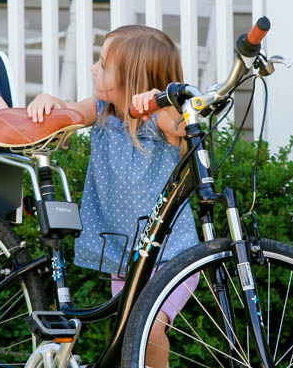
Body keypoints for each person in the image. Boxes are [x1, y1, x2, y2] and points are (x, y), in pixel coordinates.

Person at [27, 25, 199, 368]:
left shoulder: (159, 122)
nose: (94, 69)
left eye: (104, 65)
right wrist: (51, 102)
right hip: (125, 260)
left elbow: (182, 126)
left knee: (147, 330)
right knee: (131, 336)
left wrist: (158, 100)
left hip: (170, 254)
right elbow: (70, 112)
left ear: (133, 81)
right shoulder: (103, 109)